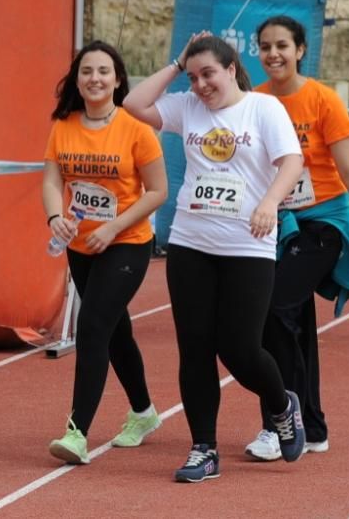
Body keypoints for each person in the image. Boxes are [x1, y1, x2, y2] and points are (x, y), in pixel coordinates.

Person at [123, 33, 307, 483]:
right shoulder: (187, 107)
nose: (201, 85)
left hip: (248, 243)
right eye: (193, 76)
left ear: (231, 68)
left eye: (209, 74)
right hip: (191, 241)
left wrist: (269, 204)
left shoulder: (263, 109)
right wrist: (176, 62)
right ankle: (203, 448)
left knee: (241, 348)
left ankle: (283, 404)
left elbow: (291, 162)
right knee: (195, 348)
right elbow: (132, 103)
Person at [244, 15, 349, 461]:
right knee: (293, 322)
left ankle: (280, 422)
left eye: (282, 46)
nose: (273, 54)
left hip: (321, 225)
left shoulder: (323, 101)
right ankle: (311, 427)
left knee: (274, 308)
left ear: (300, 51)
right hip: (274, 225)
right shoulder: (253, 102)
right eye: (265, 46)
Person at [43, 40, 168, 465]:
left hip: (127, 243)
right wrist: (52, 218)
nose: (94, 79)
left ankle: (77, 432)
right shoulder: (64, 125)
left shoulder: (135, 128)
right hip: (80, 245)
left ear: (117, 79)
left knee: (93, 325)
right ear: (76, 80)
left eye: (103, 71)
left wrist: (114, 227)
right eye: (86, 72)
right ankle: (144, 412)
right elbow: (50, 180)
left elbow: (158, 191)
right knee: (116, 331)